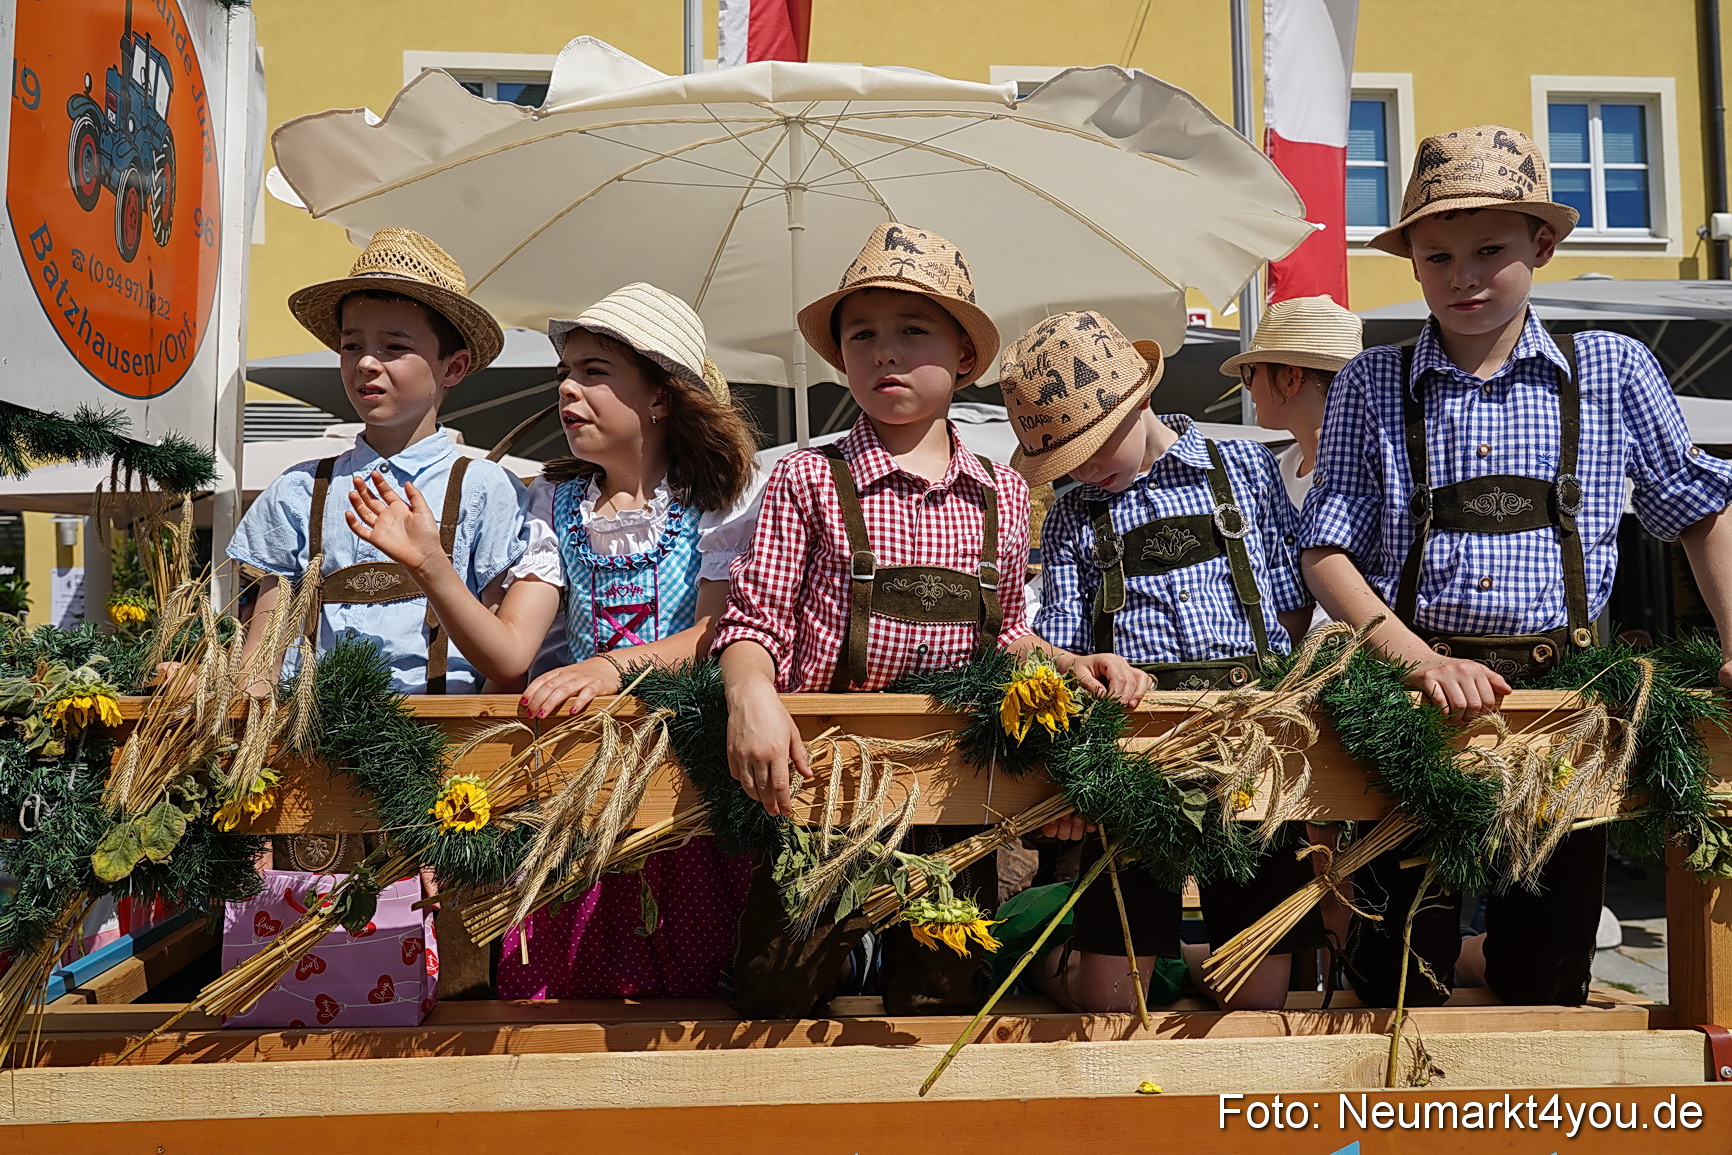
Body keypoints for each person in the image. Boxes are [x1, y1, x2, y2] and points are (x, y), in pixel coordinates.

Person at [1298, 125, 1732, 1008]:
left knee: (1548, 969)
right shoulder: (1371, 385)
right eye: (1438, 255)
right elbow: (1325, 552)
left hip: (1561, 707)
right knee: (1392, 971)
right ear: (1412, 265)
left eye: (1489, 251)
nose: (1463, 276)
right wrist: (1421, 660)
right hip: (1409, 706)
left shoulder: (1610, 369)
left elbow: (1700, 510)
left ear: (1541, 245)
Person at [712, 224, 1143, 1019]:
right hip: (822, 785)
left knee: (938, 999)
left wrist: (1066, 663)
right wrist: (749, 697)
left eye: (913, 332)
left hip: (953, 793)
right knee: (777, 987)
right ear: (840, 356)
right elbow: (752, 624)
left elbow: (1004, 633)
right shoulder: (808, 479)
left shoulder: (1002, 493)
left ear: (965, 357)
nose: (886, 354)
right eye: (863, 335)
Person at [347, 282, 762, 999]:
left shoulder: (719, 503)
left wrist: (607, 665)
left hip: (688, 779)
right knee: (561, 989)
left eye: (595, 372)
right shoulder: (553, 502)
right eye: (564, 373)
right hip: (577, 782)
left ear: (661, 396)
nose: (568, 388)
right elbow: (510, 653)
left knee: (696, 995)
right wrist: (431, 567)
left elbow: (715, 633)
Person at [227, 227, 528, 995]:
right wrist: (243, 711)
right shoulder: (302, 487)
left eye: (395, 346)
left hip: (447, 762)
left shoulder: (483, 487)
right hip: (318, 757)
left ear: (453, 366)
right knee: (319, 967)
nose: (366, 363)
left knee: (453, 973)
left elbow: (501, 635)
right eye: (353, 344)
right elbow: (266, 637)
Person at [1000, 309, 1320, 1012]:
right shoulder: (1075, 511)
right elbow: (1060, 644)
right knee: (1112, 1000)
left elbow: (1292, 607)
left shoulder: (1242, 469)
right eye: (1064, 460)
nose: (1082, 469)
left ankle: (1194, 965)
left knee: (1258, 998)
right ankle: (1041, 954)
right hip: (1135, 754)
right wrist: (1088, 669)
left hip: (1247, 751)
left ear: (1140, 397)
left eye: (1089, 447)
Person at [1219, 293, 1364, 955]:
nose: (1246, 387)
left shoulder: (1368, 465)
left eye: (1252, 373)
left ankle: (1332, 987)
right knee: (1306, 857)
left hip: (1362, 691)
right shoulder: (1278, 470)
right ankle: (1313, 984)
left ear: (1292, 376)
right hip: (1288, 698)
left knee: (1343, 867)